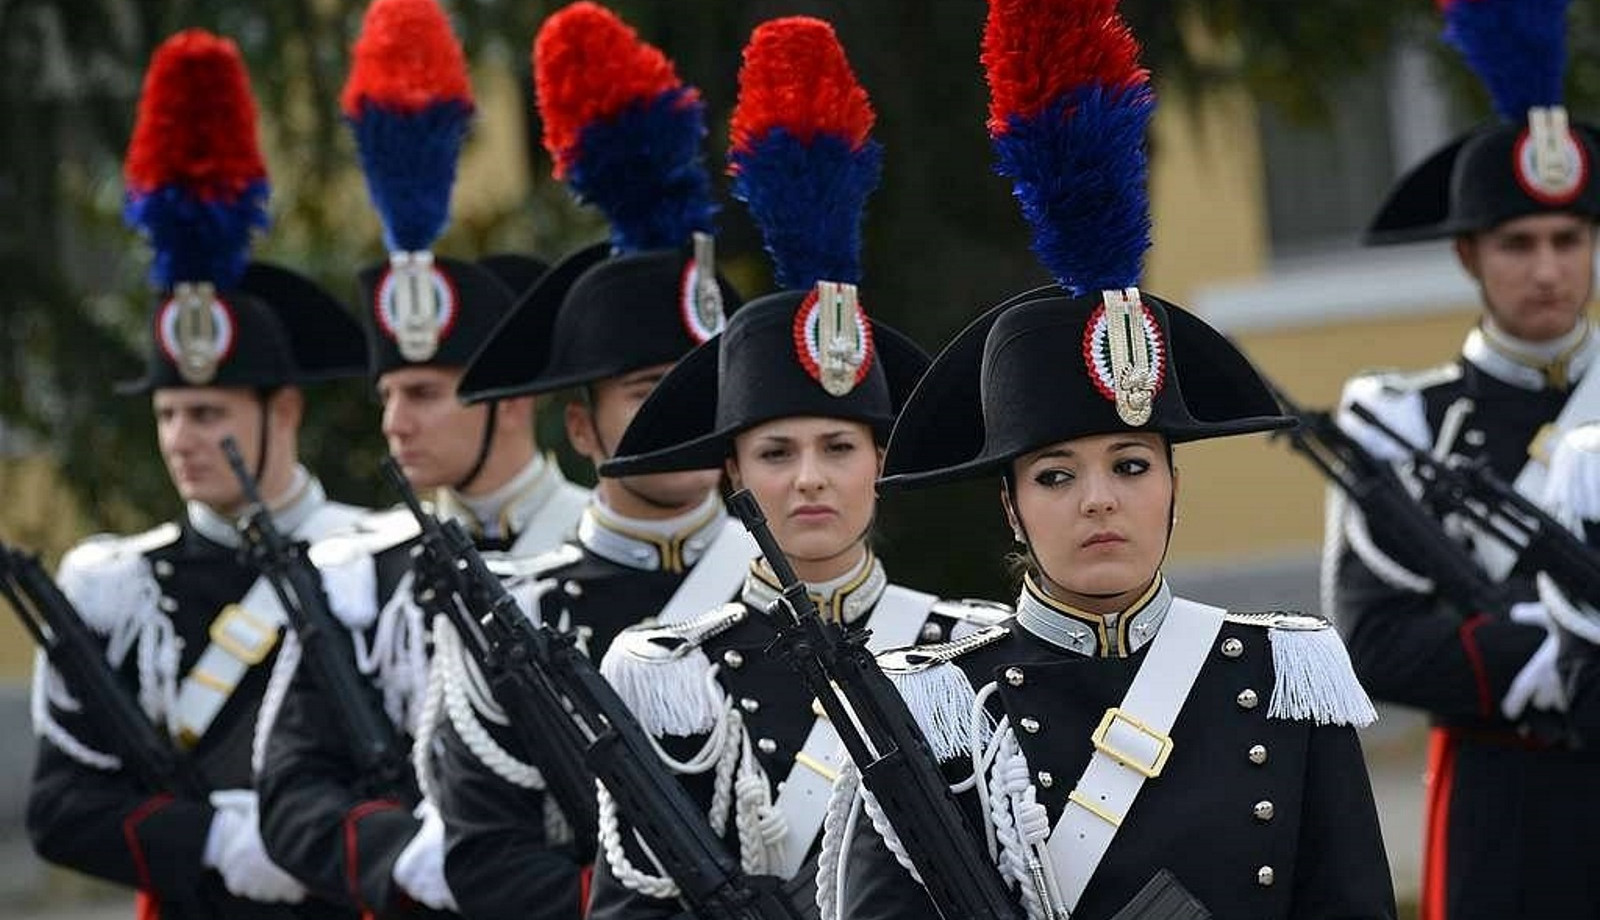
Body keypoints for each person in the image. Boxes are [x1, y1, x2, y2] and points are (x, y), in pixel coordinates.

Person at [831, 1, 1395, 917]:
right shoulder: (939, 705)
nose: (1099, 500)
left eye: (1131, 466)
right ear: (1011, 506)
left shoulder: (1282, 677)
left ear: (1174, 483)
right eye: (1056, 475)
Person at [585, 17, 1007, 919]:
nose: (809, 478)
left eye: (839, 447)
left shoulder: (973, 651)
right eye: (776, 453)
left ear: (881, 463)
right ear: (733, 471)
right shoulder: (674, 676)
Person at [26, 29, 368, 920]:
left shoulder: (378, 561)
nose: (181, 437)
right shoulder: (118, 587)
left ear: (283, 411)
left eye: (209, 414)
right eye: (169, 412)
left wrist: (320, 838)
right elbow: (61, 808)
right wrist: (211, 840)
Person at [253, 2, 584, 917]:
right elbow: (289, 788)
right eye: (388, 394)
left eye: (427, 393)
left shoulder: (603, 550)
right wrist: (409, 856)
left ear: (511, 400)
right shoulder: (361, 578)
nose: (395, 419)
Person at [423, 5, 747, 917]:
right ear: (580, 428)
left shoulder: (793, 588)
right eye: (649, 391)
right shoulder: (510, 616)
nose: (688, 415)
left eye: (705, 385)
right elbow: (484, 859)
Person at [1325, 2, 1600, 916]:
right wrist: (1561, 661)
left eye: (1569, 240)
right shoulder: (1403, 422)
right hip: (1504, 803)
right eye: (1518, 245)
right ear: (1468, 254)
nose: (1548, 270)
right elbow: (1376, 641)